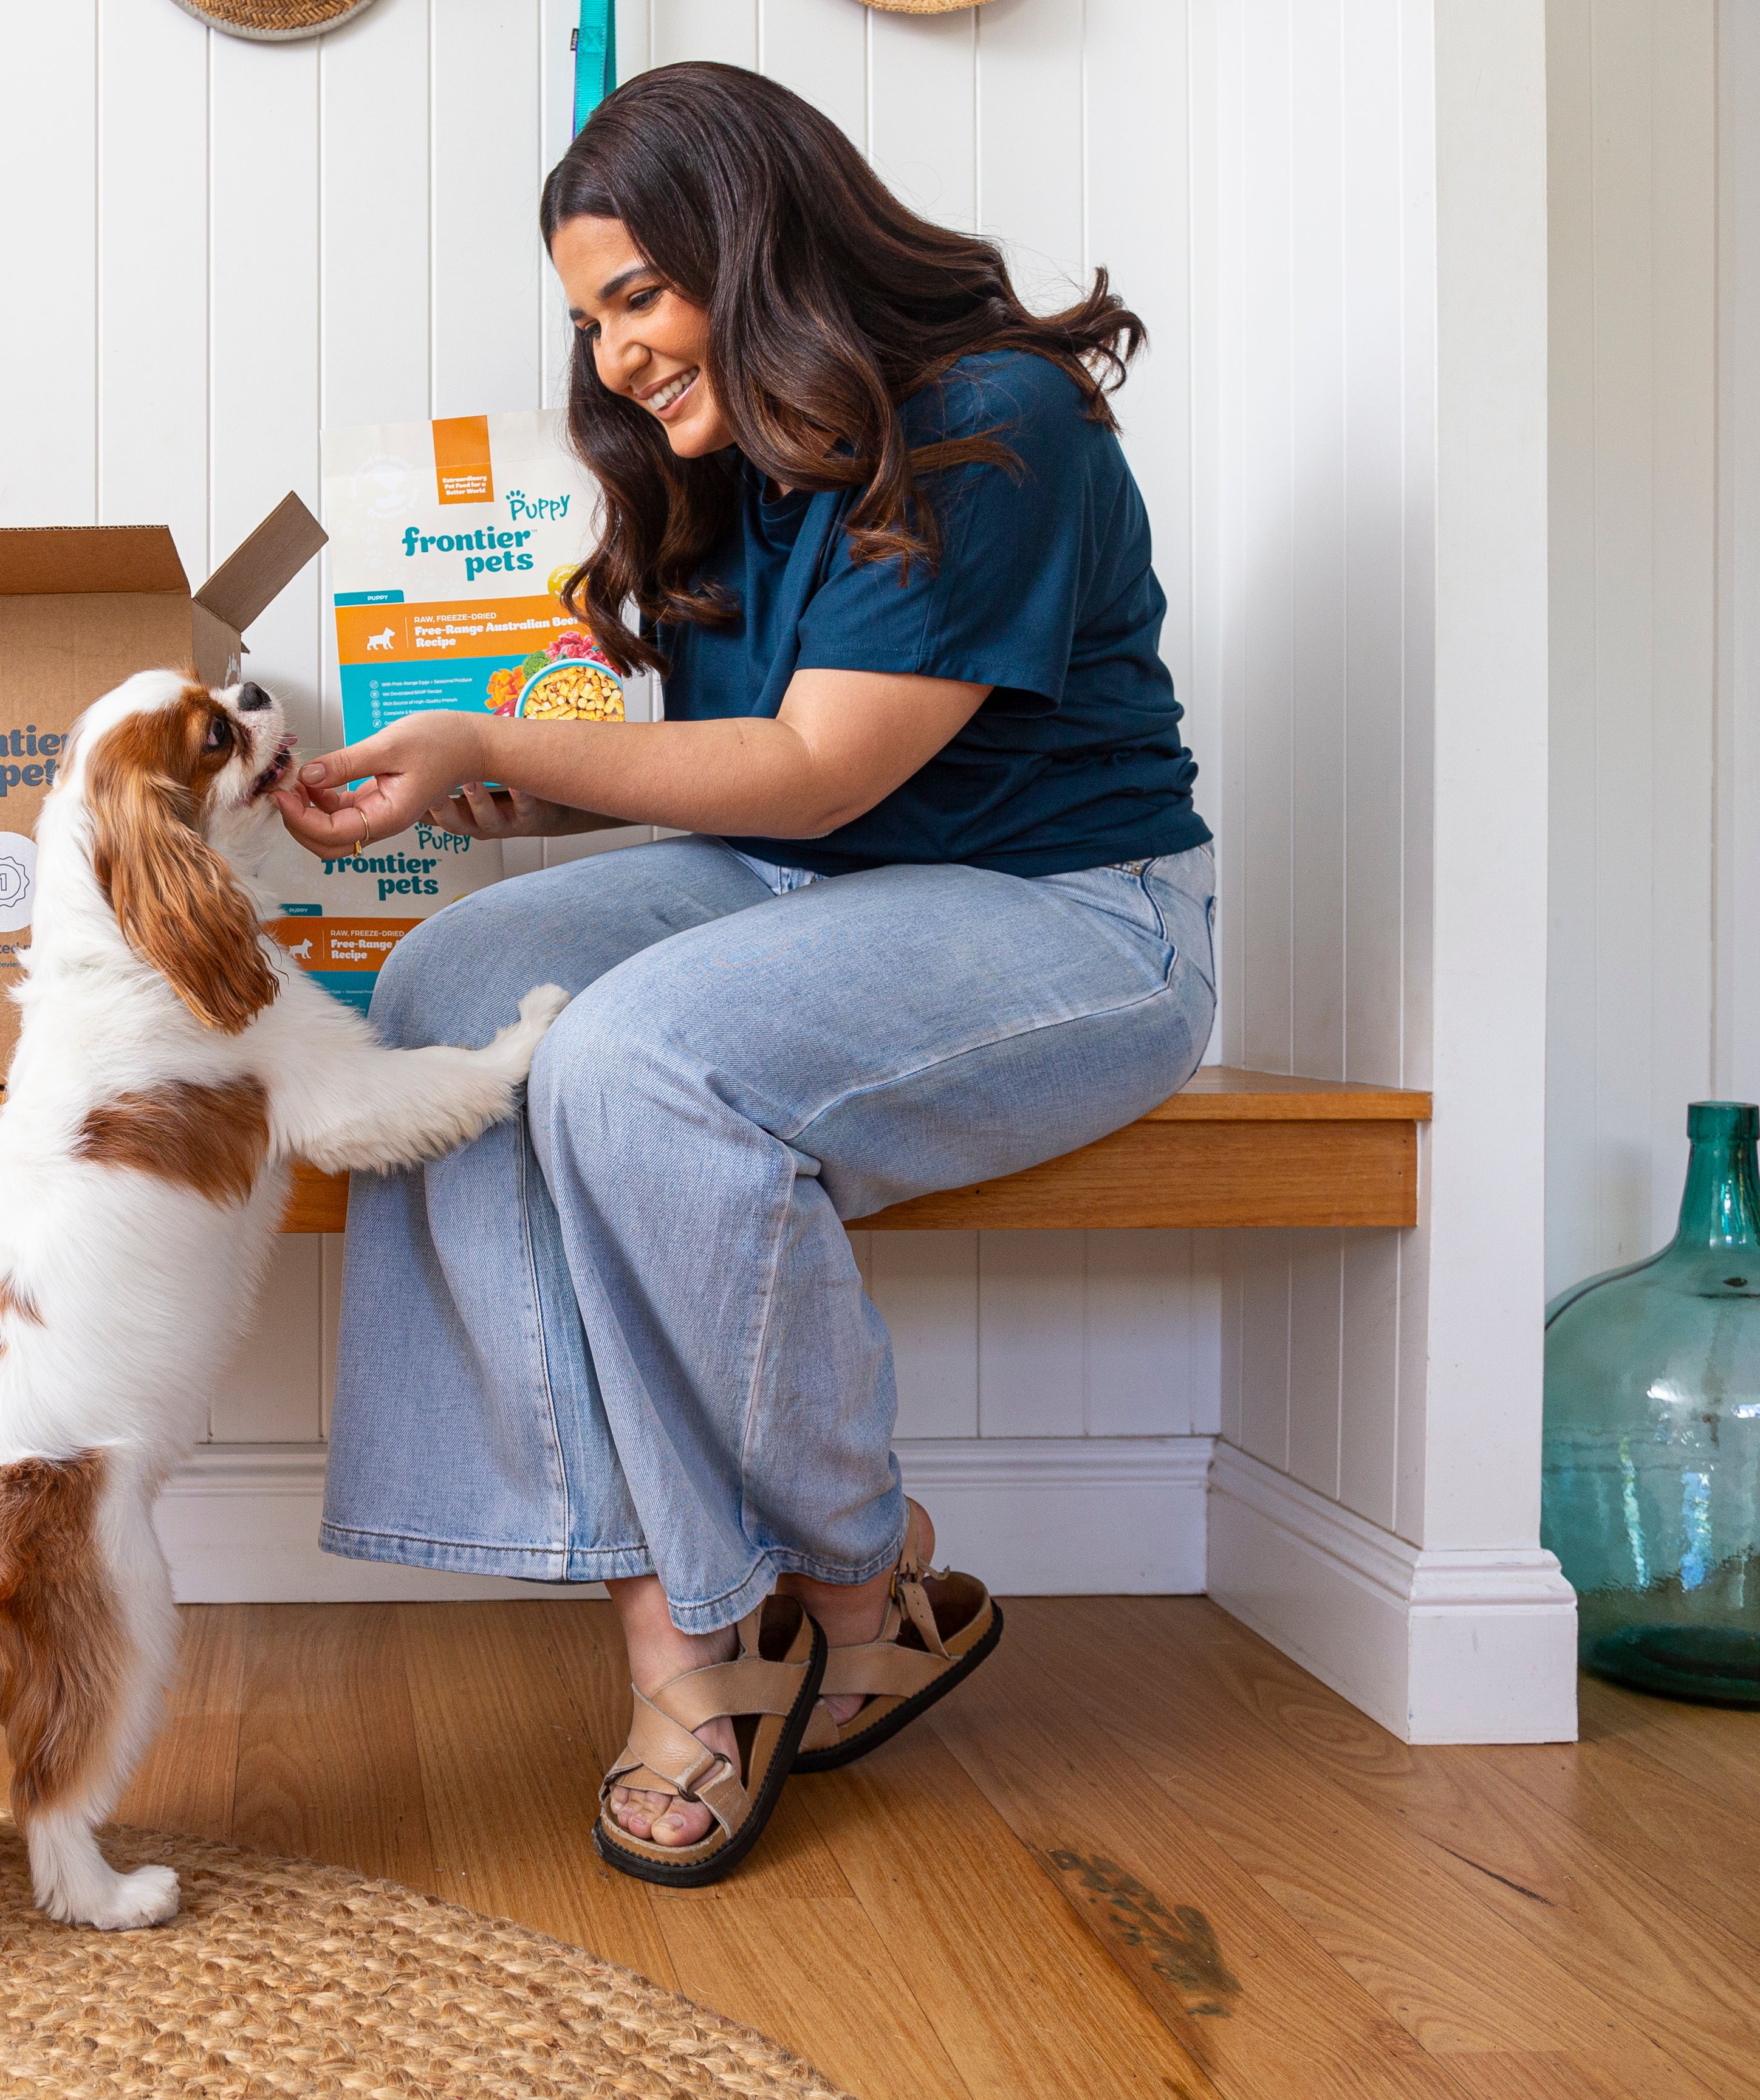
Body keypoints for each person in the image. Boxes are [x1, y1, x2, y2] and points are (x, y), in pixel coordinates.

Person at [273, 61, 1217, 1887]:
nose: (617, 355)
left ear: (755, 241)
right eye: (590, 319)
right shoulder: (740, 461)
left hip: (1078, 916)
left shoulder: (993, 420)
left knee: (635, 1062)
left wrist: (513, 743)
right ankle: (685, 1645)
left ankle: (857, 1574)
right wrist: (466, 781)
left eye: (639, 296)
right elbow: (760, 785)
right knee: (453, 993)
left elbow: (819, 767)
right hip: (809, 886)